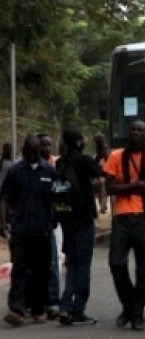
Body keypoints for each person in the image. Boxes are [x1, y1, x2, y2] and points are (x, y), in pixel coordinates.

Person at [103, 119, 145, 331]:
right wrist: (137, 184)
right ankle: (129, 305)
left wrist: (130, 187)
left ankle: (137, 314)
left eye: (141, 131)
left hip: (144, 217)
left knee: (144, 268)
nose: (136, 134)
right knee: (116, 263)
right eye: (132, 130)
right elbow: (109, 189)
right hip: (121, 217)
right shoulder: (115, 156)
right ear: (127, 132)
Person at [2, 136, 55, 327]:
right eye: (29, 151)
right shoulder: (16, 171)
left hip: (42, 230)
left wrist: (54, 221)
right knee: (20, 269)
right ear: (24, 151)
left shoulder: (50, 171)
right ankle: (16, 309)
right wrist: (4, 224)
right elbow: (6, 198)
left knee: (42, 271)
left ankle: (38, 309)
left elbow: (55, 199)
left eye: (36, 151)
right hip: (21, 230)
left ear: (39, 151)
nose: (32, 155)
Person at [55, 129, 102, 326]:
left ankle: (65, 306)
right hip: (83, 219)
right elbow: (101, 172)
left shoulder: (60, 162)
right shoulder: (83, 161)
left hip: (66, 219)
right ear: (79, 142)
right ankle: (78, 310)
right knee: (83, 266)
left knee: (72, 264)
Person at [37, 133, 61, 320]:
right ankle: (33, 303)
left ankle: (53, 302)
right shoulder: (23, 168)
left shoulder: (54, 167)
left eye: (49, 144)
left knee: (53, 263)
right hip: (30, 224)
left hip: (50, 223)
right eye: (43, 145)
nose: (47, 148)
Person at [93, 133, 110, 214]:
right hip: (101, 172)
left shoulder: (103, 148)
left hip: (102, 172)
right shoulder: (100, 148)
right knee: (102, 190)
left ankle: (103, 206)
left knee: (102, 190)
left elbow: (104, 158)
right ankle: (103, 206)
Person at [0, 143, 14, 238]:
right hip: (6, 189)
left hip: (3, 188)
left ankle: (4, 227)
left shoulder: (2, 162)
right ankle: (5, 227)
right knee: (7, 209)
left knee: (3, 209)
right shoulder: (12, 163)